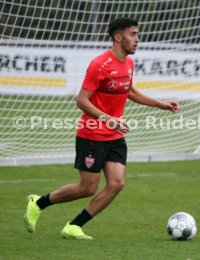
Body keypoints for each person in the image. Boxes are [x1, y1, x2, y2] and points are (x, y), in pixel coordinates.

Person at [24, 17, 180, 240]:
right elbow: (82, 100)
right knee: (87, 188)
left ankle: (74, 226)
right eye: (133, 34)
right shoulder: (99, 65)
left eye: (137, 34)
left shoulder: (129, 63)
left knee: (116, 184)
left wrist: (161, 104)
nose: (137, 39)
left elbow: (129, 91)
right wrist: (107, 118)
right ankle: (37, 203)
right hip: (92, 134)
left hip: (115, 134)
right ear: (118, 37)